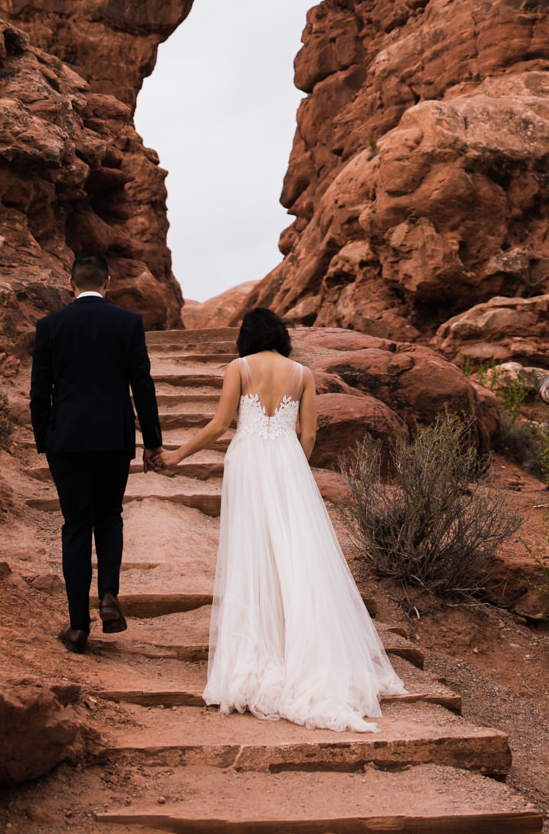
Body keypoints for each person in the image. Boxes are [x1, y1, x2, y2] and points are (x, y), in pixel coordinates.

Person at [164, 305, 406, 731]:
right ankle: (310, 654)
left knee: (252, 552)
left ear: (247, 336)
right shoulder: (302, 373)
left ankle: (260, 651)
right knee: (298, 555)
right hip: (288, 462)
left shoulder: (239, 367)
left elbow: (222, 423)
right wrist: (294, 465)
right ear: (279, 335)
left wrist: (178, 454)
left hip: (249, 461)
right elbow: (309, 434)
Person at [29, 251, 165, 652]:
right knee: (109, 515)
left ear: (71, 284)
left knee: (75, 525)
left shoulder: (50, 326)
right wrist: (152, 442)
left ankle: (77, 626)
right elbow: (143, 385)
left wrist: (44, 438)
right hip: (113, 437)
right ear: (107, 283)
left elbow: (40, 391)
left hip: (66, 440)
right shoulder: (128, 323)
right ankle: (108, 594)